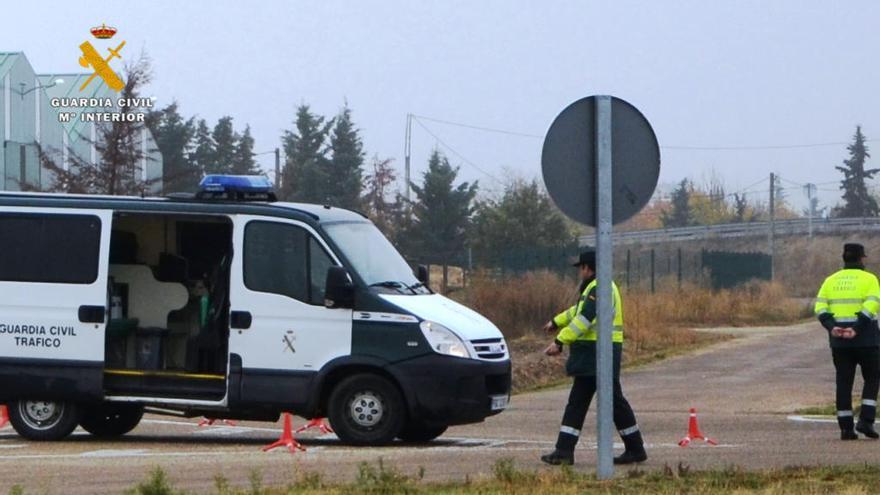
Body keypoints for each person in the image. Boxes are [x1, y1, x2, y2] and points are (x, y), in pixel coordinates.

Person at [539, 250, 647, 465]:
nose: (580, 272)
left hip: (596, 352)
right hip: (599, 351)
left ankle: (564, 451)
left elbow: (585, 318)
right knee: (605, 401)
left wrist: (560, 341)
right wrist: (556, 321)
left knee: (584, 402)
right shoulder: (598, 286)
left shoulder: (599, 287)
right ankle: (634, 448)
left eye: (581, 268)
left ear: (588, 268)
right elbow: (577, 311)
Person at [815, 243, 880, 440]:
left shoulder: (830, 280)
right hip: (866, 339)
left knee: (843, 381)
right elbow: (872, 305)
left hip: (839, 341)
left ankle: (846, 428)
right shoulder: (870, 279)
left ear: (844, 258)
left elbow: (820, 307)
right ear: (862, 259)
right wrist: (856, 328)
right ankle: (866, 420)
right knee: (873, 377)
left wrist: (831, 327)